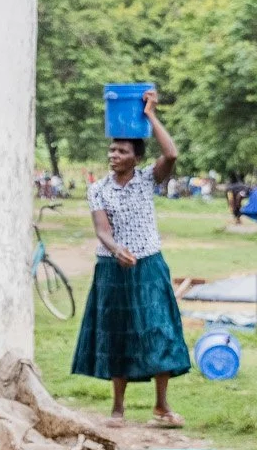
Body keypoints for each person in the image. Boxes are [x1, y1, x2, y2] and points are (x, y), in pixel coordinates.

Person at [72, 90, 190, 428]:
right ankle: (118, 409)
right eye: (112, 149)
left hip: (149, 264)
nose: (114, 155)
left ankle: (161, 407)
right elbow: (101, 229)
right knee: (118, 332)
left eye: (122, 151)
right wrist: (115, 249)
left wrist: (150, 115)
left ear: (135, 158)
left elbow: (172, 153)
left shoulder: (146, 181)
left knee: (159, 330)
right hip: (112, 269)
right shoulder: (98, 189)